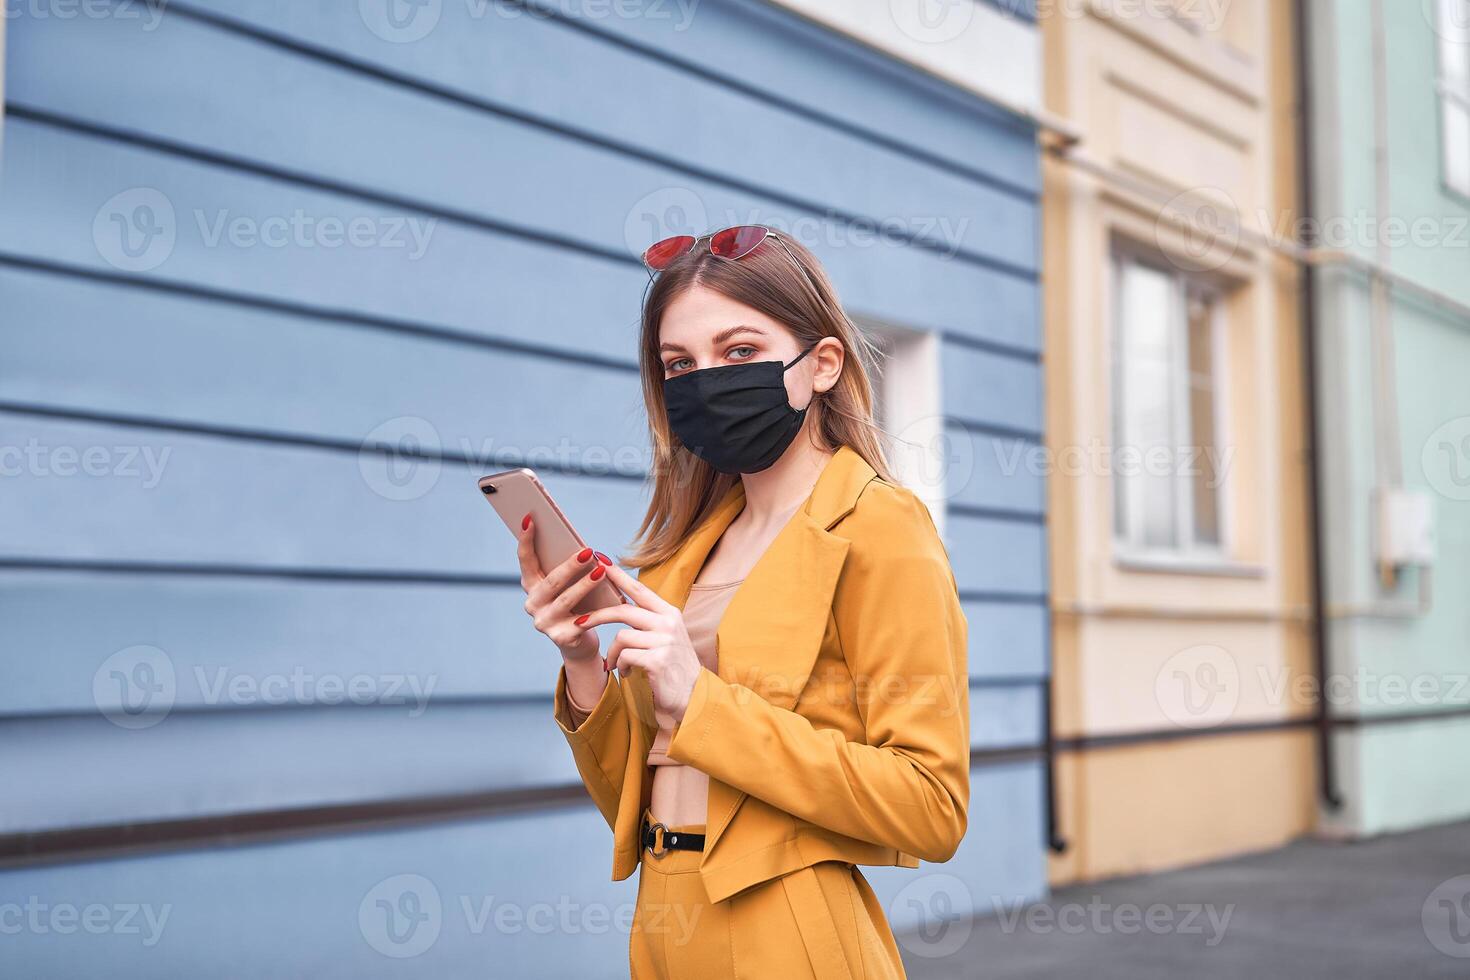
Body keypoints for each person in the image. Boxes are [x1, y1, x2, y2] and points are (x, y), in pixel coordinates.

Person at [515, 225, 970, 979]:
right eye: (678, 364)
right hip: (664, 921)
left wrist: (701, 702)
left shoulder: (880, 526)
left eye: (738, 352)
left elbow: (931, 804)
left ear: (821, 364)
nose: (706, 381)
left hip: (786, 926)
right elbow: (632, 799)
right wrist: (582, 660)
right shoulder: (679, 554)